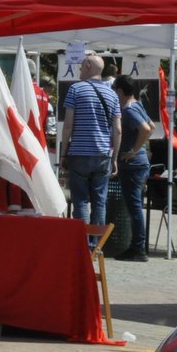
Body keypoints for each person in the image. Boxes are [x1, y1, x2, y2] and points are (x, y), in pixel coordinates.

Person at [59, 52, 121, 226]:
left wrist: (64, 154)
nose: (79, 69)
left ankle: (83, 244)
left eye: (81, 66)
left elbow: (68, 125)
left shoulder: (75, 89)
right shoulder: (112, 95)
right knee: (100, 201)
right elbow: (117, 130)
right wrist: (114, 157)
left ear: (88, 67)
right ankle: (96, 246)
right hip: (103, 155)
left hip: (79, 153)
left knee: (80, 201)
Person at [114, 75, 154, 262]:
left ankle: (138, 248)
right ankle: (138, 246)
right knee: (136, 205)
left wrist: (133, 150)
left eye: (115, 90)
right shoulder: (137, 104)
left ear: (120, 91)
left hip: (132, 165)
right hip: (139, 163)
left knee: (134, 207)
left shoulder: (129, 110)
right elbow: (152, 126)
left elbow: (146, 129)